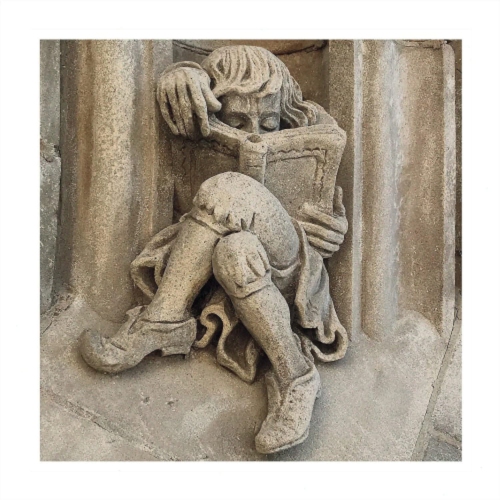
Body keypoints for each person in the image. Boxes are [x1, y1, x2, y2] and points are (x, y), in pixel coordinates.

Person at [80, 45, 348, 454]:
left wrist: (335, 228)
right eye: (236, 122)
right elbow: (185, 85)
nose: (255, 132)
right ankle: (296, 377)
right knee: (235, 253)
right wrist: (184, 72)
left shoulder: (312, 123)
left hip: (294, 264)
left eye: (269, 123)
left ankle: (162, 318)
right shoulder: (197, 110)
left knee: (227, 187)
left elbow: (330, 200)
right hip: (233, 257)